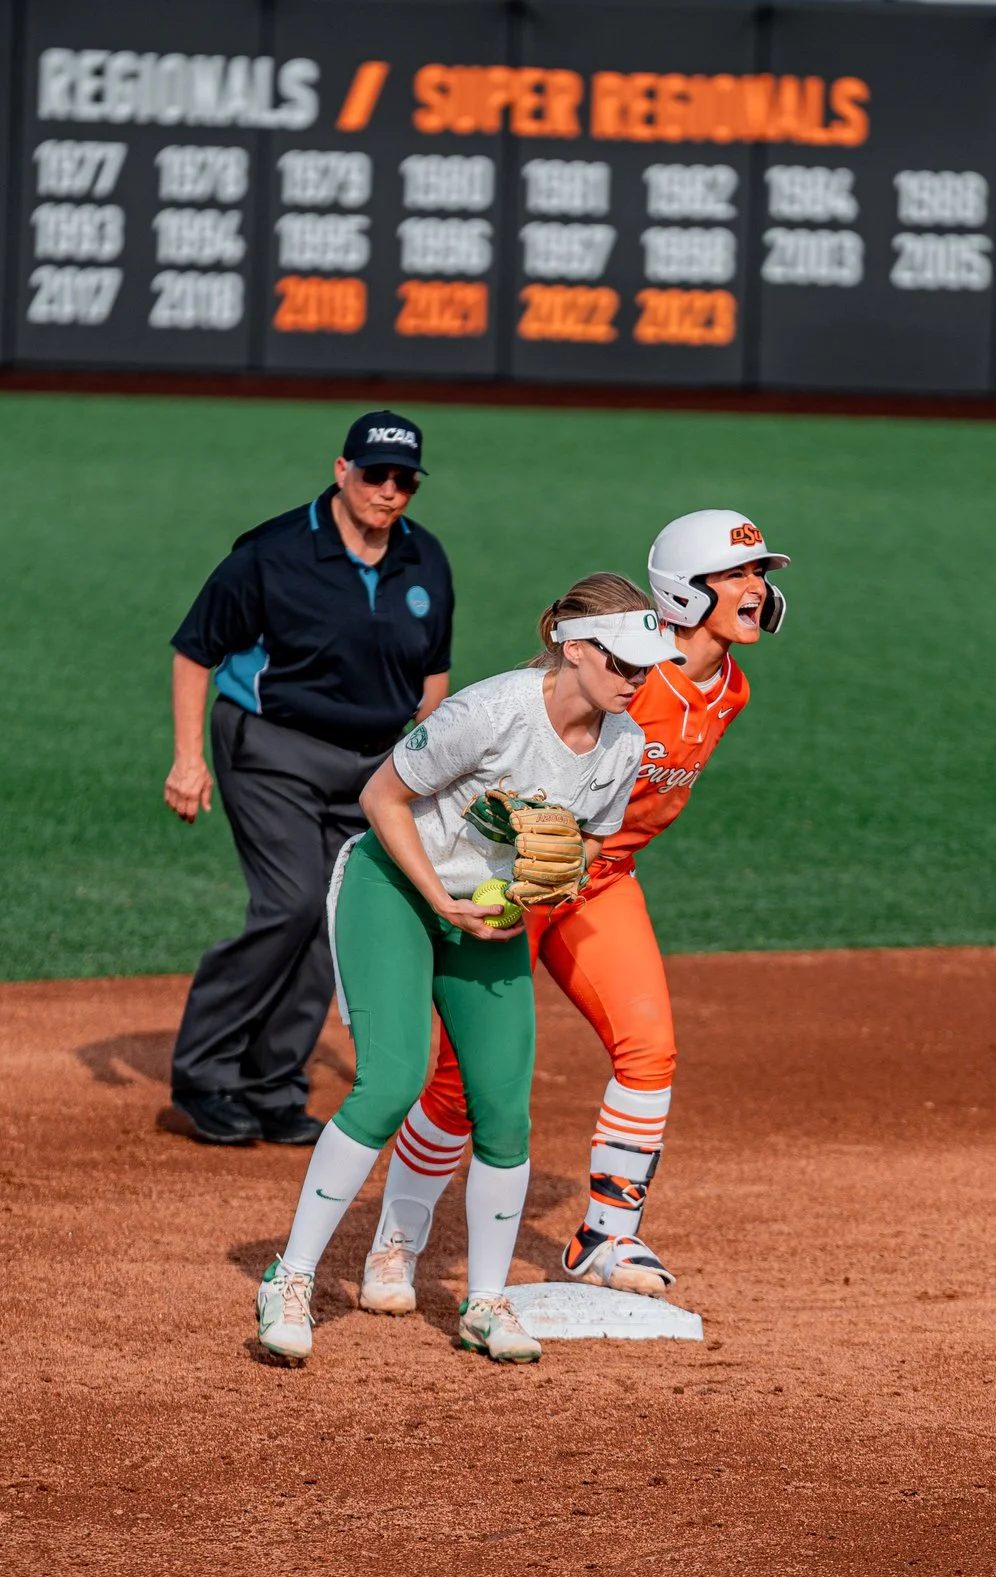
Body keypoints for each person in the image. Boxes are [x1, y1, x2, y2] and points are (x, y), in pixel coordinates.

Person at [352, 511, 791, 1308]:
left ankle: (604, 1235)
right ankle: (396, 1240)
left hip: (603, 882)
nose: (757, 589)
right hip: (524, 880)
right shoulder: (627, 672)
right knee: (458, 1081)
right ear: (684, 593)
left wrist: (589, 860)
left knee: (650, 1046)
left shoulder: (731, 687)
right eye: (739, 575)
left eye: (761, 574)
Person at [252, 574, 682, 1365]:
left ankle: (483, 1304)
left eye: (646, 666)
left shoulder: (625, 745)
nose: (637, 679)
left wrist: (561, 874)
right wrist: (442, 904)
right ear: (574, 648)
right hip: (395, 885)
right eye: (623, 662)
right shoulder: (489, 712)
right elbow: (381, 796)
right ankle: (290, 1275)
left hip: (488, 913)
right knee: (389, 1083)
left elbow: (591, 838)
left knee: (503, 1107)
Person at [163, 411, 452, 1147]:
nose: (389, 492)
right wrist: (188, 759)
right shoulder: (271, 554)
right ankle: (204, 1075)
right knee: (290, 903)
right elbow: (196, 651)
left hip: (372, 768)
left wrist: (421, 771)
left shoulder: (425, 561)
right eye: (375, 475)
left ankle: (272, 1084)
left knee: (334, 920)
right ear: (341, 470)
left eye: (404, 481)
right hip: (272, 749)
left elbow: (433, 678)